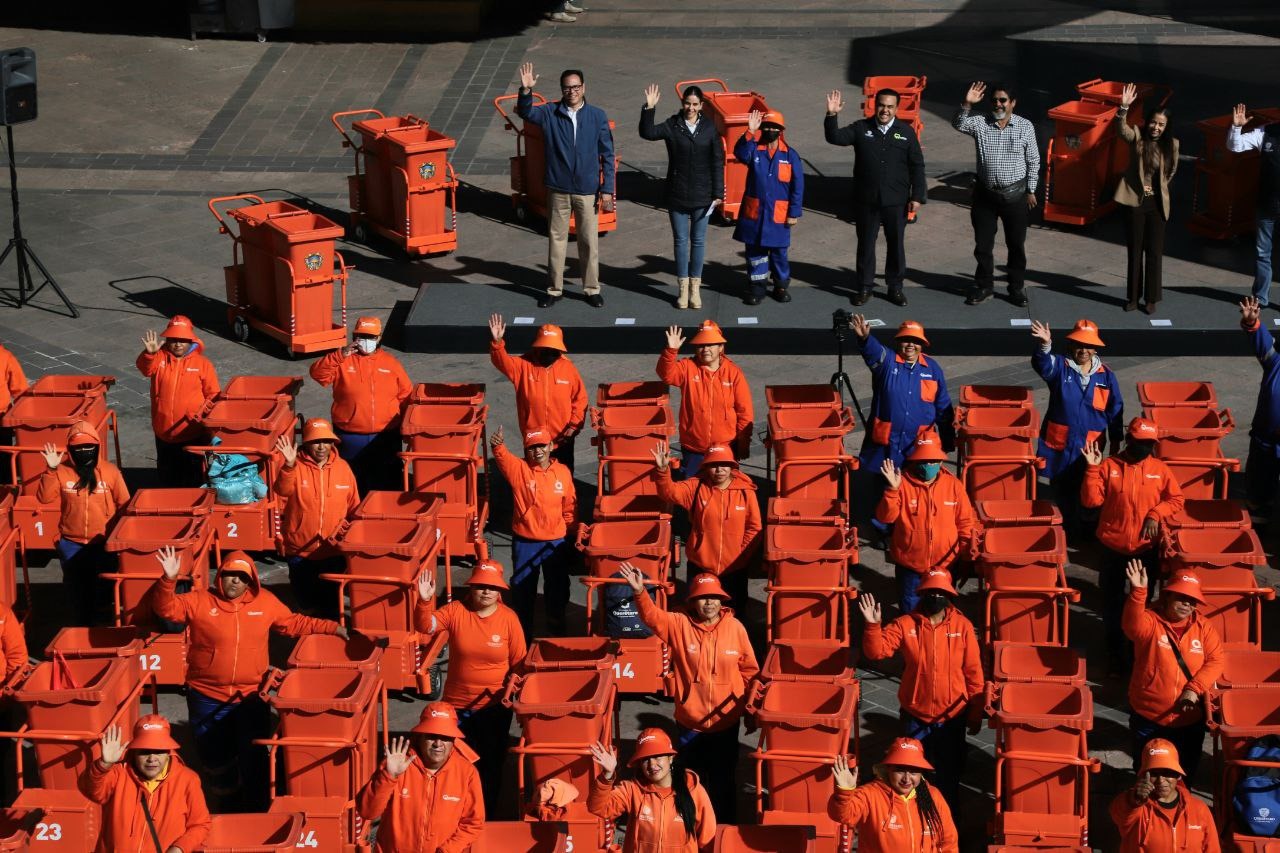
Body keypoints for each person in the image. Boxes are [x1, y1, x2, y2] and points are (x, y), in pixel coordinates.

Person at [150, 546, 344, 811]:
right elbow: (166, 609)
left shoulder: (266, 603)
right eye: (230, 575)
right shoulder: (198, 600)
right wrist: (168, 579)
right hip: (206, 697)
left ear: (251, 580)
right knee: (214, 756)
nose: (235, 581)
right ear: (220, 576)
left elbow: (294, 623)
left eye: (242, 578)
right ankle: (227, 801)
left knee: (254, 756)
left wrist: (333, 627)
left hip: (250, 697)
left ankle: (257, 806)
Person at [620, 565, 758, 821]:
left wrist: (750, 712)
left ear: (722, 600)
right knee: (690, 783)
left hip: (726, 724)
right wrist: (640, 592)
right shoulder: (679, 624)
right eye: (703, 597)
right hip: (689, 725)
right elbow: (652, 617)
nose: (709, 603)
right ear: (693, 601)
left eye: (714, 597)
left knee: (724, 782)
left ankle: (724, 831)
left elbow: (750, 672)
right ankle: (690, 831)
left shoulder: (736, 628)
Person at [859, 569, 983, 805]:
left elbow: (974, 674)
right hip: (915, 715)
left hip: (952, 717)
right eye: (930, 592)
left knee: (949, 776)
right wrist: (872, 626)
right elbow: (876, 652)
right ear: (921, 593)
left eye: (939, 592)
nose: (935, 596)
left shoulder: (963, 627)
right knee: (910, 776)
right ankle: (914, 821)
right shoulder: (905, 624)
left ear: (949, 595)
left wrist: (975, 713)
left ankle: (947, 820)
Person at [415, 560, 527, 816]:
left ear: (499, 592)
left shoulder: (509, 619)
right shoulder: (455, 611)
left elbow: (520, 662)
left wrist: (512, 690)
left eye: (490, 587)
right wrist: (424, 601)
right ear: (471, 587)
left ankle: (486, 812)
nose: (485, 591)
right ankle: (455, 811)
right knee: (455, 762)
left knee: (491, 763)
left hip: (494, 707)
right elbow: (426, 626)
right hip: (457, 707)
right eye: (480, 586)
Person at [1081, 418, 1185, 674]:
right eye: (1141, 443)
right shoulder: (1109, 465)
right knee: (1112, 602)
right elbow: (1090, 501)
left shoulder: (1159, 469)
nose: (1145, 448)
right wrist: (1092, 470)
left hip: (1145, 550)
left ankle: (1136, 650)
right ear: (1130, 441)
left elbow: (1176, 499)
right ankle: (1115, 653)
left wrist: (1155, 514)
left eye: (1150, 444)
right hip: (1112, 549)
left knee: (1143, 605)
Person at [515, 63, 616, 309]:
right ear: (562, 89)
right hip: (558, 188)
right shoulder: (550, 112)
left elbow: (608, 154)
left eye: (576, 87)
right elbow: (526, 113)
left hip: (587, 189)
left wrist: (607, 190)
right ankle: (554, 289)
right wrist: (526, 91)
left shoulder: (597, 116)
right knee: (556, 239)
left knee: (589, 241)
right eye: (567, 87)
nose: (572, 91)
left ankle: (592, 289)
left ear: (584, 88)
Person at [849, 315, 955, 539]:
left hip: (917, 443)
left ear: (922, 345)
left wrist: (947, 437)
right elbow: (873, 352)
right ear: (898, 342)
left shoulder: (933, 369)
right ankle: (883, 529)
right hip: (887, 441)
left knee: (913, 486)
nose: (910, 345)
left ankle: (908, 526)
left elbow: (943, 404)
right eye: (906, 340)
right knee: (883, 487)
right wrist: (866, 338)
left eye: (915, 341)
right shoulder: (887, 362)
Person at [824, 87, 927, 307]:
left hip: (896, 201)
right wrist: (832, 115)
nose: (885, 110)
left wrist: (917, 196)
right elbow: (834, 137)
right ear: (875, 105)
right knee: (866, 245)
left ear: (896, 108)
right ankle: (864, 287)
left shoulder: (906, 132)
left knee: (896, 245)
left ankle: (895, 287)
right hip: (866, 201)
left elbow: (917, 165)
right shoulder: (861, 128)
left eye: (890, 106)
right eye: (882, 105)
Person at [1122, 560, 1223, 781]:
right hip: (1148, 715)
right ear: (1167, 596)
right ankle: (1147, 810)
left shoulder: (1204, 626)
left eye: (1192, 600)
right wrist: (1138, 592)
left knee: (1185, 771)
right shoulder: (1150, 620)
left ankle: (1182, 808)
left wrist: (1194, 689)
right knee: (1145, 771)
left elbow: (1217, 660)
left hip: (1189, 719)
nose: (1187, 604)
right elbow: (1131, 627)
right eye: (1181, 597)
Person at [1030, 318, 1125, 537]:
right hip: (1060, 446)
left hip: (1091, 448)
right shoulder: (1059, 367)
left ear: (1095, 348)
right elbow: (1042, 364)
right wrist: (1044, 345)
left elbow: (1116, 409)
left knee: (1089, 489)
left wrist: (1117, 439)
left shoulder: (1107, 376)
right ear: (1071, 345)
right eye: (1079, 345)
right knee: (1062, 489)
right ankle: (1064, 530)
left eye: (1088, 346)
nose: (1084, 350)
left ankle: (1087, 528)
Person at [952, 82, 1040, 308]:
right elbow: (958, 124)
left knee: (1016, 245)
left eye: (1003, 100)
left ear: (1012, 103)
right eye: (995, 100)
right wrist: (968, 104)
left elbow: (1033, 160)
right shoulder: (981, 123)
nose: (998, 104)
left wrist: (1031, 189)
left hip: (1016, 197)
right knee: (983, 246)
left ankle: (1016, 288)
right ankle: (983, 286)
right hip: (985, 196)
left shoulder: (1024, 126)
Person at [640, 83, 725, 309]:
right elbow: (647, 133)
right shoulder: (672, 125)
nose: (690, 107)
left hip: (702, 195)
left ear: (702, 106)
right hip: (677, 194)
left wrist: (718, 192)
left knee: (698, 241)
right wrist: (649, 109)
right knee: (680, 241)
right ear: (682, 103)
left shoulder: (709, 129)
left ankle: (695, 290)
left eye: (695, 104)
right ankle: (682, 289)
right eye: (687, 103)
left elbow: (717, 161)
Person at [356, 702, 484, 852]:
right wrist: (388, 776)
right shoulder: (396, 764)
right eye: (431, 736)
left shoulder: (467, 772)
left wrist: (448, 850)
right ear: (420, 736)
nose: (438, 743)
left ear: (454, 740)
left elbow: (473, 823)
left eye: (445, 737)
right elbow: (367, 811)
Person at [38, 420, 129, 625]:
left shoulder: (111, 472)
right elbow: (44, 498)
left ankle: (104, 626)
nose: (85, 451)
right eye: (79, 448)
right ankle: (81, 625)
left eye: (90, 447)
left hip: (103, 544)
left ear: (97, 447)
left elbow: (125, 505)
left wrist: (119, 539)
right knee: (77, 589)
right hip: (71, 543)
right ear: (70, 449)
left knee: (104, 590)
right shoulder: (60, 471)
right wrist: (50, 470)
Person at [489, 424, 577, 637]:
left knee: (557, 586)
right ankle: (522, 630)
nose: (537, 451)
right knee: (522, 588)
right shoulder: (518, 469)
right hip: (525, 542)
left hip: (555, 542)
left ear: (551, 446)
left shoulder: (563, 473)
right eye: (532, 447)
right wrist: (498, 445)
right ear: (526, 450)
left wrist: (571, 534)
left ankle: (556, 621)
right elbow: (501, 456)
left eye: (541, 446)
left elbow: (570, 507)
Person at [308, 315, 411, 494]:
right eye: (361, 336)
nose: (366, 341)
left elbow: (406, 395)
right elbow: (318, 374)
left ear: (379, 338)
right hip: (349, 436)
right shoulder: (342, 361)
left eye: (371, 337)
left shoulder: (391, 363)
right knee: (352, 481)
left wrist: (406, 428)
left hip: (385, 436)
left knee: (387, 480)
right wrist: (340, 355)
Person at [650, 440, 760, 607]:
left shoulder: (746, 491)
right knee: (698, 611)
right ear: (706, 467)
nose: (719, 470)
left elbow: (754, 527)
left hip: (735, 569)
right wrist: (663, 470)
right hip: (701, 566)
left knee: (735, 612)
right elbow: (669, 493)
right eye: (714, 465)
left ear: (732, 466)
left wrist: (740, 556)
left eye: (724, 464)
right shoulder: (696, 486)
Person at [876, 434, 976, 615]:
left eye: (932, 460)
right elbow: (885, 518)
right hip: (910, 567)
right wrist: (892, 490)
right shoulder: (901, 483)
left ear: (940, 460)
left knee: (943, 614)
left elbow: (966, 522)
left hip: (946, 566)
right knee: (910, 612)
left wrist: (965, 557)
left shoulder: (954, 485)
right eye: (924, 460)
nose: (928, 464)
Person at [82, 716, 211, 853]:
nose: (151, 758)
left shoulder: (188, 779)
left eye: (159, 751)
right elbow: (91, 791)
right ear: (134, 752)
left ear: (169, 752)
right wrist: (104, 765)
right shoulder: (118, 773)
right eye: (144, 751)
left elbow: (200, 825)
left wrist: (179, 848)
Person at [274, 418, 360, 617]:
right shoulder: (294, 467)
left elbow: (354, 506)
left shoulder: (343, 468)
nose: (321, 446)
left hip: (332, 552)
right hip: (299, 551)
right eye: (315, 441)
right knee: (305, 602)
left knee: (331, 604)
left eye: (326, 441)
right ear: (306, 443)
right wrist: (288, 465)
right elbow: (282, 490)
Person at [587, 728, 717, 852]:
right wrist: (607, 775)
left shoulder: (694, 790)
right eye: (645, 759)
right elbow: (598, 807)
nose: (652, 764)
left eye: (657, 757)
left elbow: (709, 839)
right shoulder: (632, 789)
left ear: (670, 758)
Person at [488, 314, 587, 472]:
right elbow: (502, 362)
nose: (550, 354)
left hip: (563, 439)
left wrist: (574, 426)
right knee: (534, 479)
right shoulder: (522, 366)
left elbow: (580, 399)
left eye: (554, 351)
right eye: (546, 350)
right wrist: (498, 343)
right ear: (537, 348)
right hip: (534, 441)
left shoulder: (568, 369)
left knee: (565, 477)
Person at [656, 321, 754, 478]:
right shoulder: (687, 367)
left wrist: (744, 443)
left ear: (721, 347)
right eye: (701, 345)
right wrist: (671, 350)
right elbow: (666, 374)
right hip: (694, 447)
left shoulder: (734, 373)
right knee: (694, 489)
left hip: (726, 447)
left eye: (710, 344)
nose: (705, 349)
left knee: (723, 488)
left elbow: (745, 412)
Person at [827, 738, 960, 852]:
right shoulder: (869, 794)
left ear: (921, 773)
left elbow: (949, 840)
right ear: (888, 768)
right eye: (900, 770)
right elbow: (842, 815)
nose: (907, 779)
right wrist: (844, 792)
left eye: (913, 772)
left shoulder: (934, 796)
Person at [1114, 83, 1179, 314]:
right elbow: (1122, 130)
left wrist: (1157, 189)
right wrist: (1123, 108)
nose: (1156, 127)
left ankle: (1151, 299)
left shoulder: (1172, 145)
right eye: (1153, 122)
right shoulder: (1138, 137)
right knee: (1135, 250)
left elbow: (1170, 173)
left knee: (1154, 252)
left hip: (1157, 205)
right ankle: (1132, 298)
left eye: (1161, 124)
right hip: (1135, 202)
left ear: (1167, 127)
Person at [136, 315, 220, 487]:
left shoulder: (204, 365)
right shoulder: (158, 358)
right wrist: (149, 354)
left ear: (191, 340)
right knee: (167, 477)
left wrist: (200, 414)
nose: (178, 344)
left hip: (193, 434)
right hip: (164, 434)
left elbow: (214, 396)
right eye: (174, 339)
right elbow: (145, 369)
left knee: (194, 478)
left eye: (183, 340)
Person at [733, 109, 804, 305]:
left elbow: (798, 186)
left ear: (781, 130)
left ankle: (780, 286)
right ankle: (757, 287)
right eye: (767, 127)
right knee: (755, 253)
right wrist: (750, 131)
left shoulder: (790, 155)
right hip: (755, 214)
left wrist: (794, 212)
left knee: (780, 253)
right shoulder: (754, 149)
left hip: (779, 215)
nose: (770, 129)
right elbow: (739, 153)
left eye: (774, 127)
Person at [1110, 737, 1220, 852]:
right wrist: (1134, 799)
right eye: (1154, 774)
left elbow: (1212, 849)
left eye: (1167, 773)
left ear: (1178, 775)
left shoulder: (1200, 809)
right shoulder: (1135, 807)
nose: (1161, 780)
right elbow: (1118, 813)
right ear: (1143, 776)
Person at [1228, 103, 1279, 307]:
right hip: (1267, 204)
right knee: (1262, 253)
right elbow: (1235, 146)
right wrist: (1237, 128)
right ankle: (1260, 298)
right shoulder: (1267, 131)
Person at [1240, 296, 1280, 521]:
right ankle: (1259, 523)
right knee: (1258, 491)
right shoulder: (1276, 363)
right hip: (1264, 440)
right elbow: (1263, 343)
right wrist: (1252, 323)